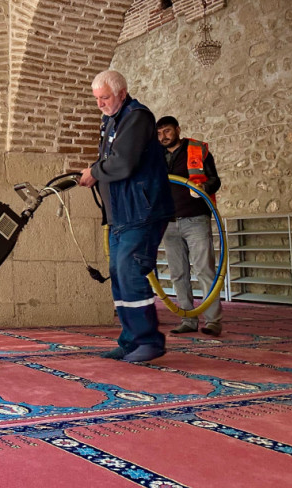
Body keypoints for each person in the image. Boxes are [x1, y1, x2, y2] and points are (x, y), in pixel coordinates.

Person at [79, 70, 174, 363]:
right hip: (121, 215)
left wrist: (94, 172)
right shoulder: (111, 121)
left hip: (141, 212)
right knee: (119, 274)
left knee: (130, 270)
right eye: (96, 99)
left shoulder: (137, 117)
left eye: (104, 97)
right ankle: (130, 341)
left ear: (121, 93)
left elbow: (123, 163)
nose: (100, 104)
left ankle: (148, 341)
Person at [156, 116, 223, 336]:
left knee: (205, 270)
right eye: (159, 133)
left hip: (195, 219)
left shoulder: (196, 150)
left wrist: (203, 185)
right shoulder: (156, 155)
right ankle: (188, 319)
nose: (163, 137)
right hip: (169, 223)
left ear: (177, 130)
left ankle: (212, 320)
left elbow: (215, 180)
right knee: (178, 273)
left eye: (167, 131)